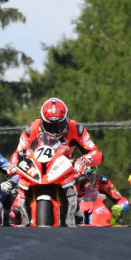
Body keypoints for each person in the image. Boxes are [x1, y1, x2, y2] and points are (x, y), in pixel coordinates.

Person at [9, 97, 102, 226]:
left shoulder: (76, 129)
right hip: (38, 168)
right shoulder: (32, 129)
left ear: (66, 120)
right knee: (15, 186)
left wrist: (83, 160)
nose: (55, 130)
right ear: (42, 121)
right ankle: (15, 214)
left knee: (83, 183)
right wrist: (13, 165)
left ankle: (80, 213)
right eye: (50, 126)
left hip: (65, 168)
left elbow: (96, 153)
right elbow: (18, 152)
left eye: (59, 125)